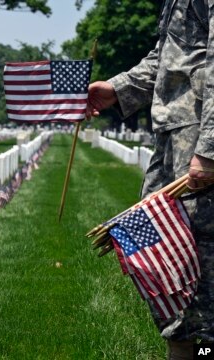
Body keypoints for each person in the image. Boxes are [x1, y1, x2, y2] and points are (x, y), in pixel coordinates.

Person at [86, 1, 214, 358]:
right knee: (174, 267)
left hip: (199, 138)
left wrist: (209, 148)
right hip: (176, 135)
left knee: (200, 265)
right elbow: (171, 55)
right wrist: (119, 88)